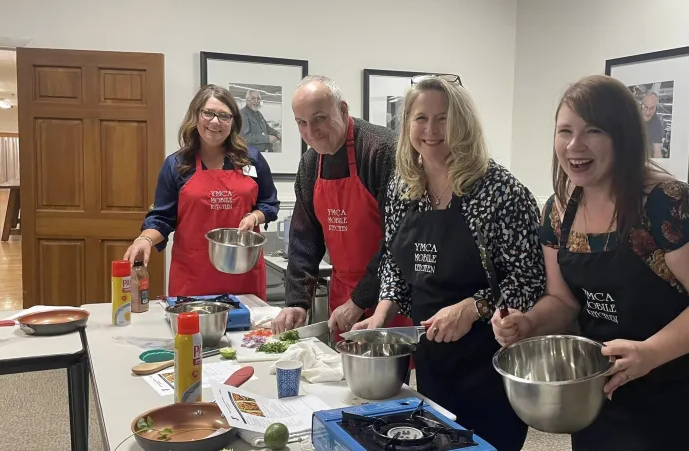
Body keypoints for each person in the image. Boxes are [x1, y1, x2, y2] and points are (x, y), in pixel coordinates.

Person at [492, 74, 689, 451]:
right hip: (599, 393)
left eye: (593, 130)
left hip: (673, 391)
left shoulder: (666, 204)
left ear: (623, 136)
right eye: (564, 130)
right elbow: (563, 302)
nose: (574, 145)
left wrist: (650, 353)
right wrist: (528, 322)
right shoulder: (557, 212)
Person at [352, 75, 546, 451]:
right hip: (433, 357)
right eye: (420, 118)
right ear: (407, 124)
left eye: (443, 118)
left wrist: (474, 307)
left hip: (491, 360)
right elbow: (393, 257)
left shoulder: (501, 191)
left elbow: (530, 279)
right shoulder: (403, 187)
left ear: (464, 124)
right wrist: (382, 312)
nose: (431, 130)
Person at [272, 75, 412, 338]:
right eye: (301, 123)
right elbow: (304, 239)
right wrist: (297, 301)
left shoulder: (381, 151)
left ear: (343, 109)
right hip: (343, 294)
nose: (311, 131)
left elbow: (399, 240)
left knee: (389, 377)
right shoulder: (311, 164)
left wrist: (361, 299)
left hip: (390, 296)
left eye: (319, 118)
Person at [124, 84, 280, 301]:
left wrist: (255, 216)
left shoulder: (251, 159)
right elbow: (162, 218)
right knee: (192, 335)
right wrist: (145, 240)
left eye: (224, 116)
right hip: (193, 278)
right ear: (196, 115)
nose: (215, 122)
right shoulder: (177, 165)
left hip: (243, 277)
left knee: (249, 335)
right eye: (208, 113)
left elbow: (269, 204)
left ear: (233, 122)